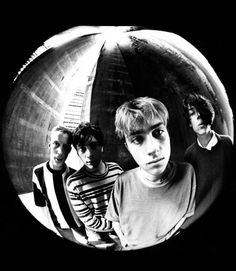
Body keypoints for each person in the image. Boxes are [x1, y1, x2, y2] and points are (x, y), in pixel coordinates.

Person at [105, 96, 196, 250]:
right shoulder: (122, 182)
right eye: (137, 139)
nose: (153, 149)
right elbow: (114, 220)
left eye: (158, 132)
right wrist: (125, 242)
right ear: (128, 147)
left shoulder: (187, 173)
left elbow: (187, 215)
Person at [66, 122, 123, 249]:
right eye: (82, 149)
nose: (89, 154)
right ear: (77, 151)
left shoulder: (116, 170)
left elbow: (126, 203)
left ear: (101, 147)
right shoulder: (74, 183)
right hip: (98, 232)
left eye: (93, 146)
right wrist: (117, 226)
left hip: (123, 224)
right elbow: (89, 220)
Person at [32, 125, 89, 246]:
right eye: (56, 144)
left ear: (69, 151)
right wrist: (52, 229)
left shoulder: (75, 175)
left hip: (81, 227)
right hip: (60, 229)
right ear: (49, 145)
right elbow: (41, 205)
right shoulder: (38, 173)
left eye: (65, 147)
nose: (60, 152)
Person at [182, 93, 233, 224]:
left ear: (209, 114)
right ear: (189, 122)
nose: (198, 117)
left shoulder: (227, 143)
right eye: (192, 113)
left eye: (201, 111)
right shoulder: (190, 154)